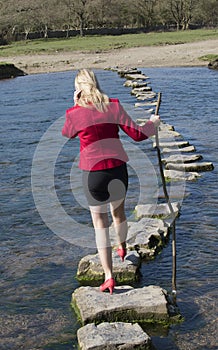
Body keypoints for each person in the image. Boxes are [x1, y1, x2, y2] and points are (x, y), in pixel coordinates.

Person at [62, 69, 160, 294]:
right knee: (119, 214)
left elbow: (67, 133)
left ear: (79, 88)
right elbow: (138, 134)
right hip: (117, 169)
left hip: (93, 174)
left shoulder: (74, 113)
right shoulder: (113, 105)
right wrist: (153, 123)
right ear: (96, 83)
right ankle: (122, 248)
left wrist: (75, 106)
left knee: (99, 225)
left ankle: (108, 277)